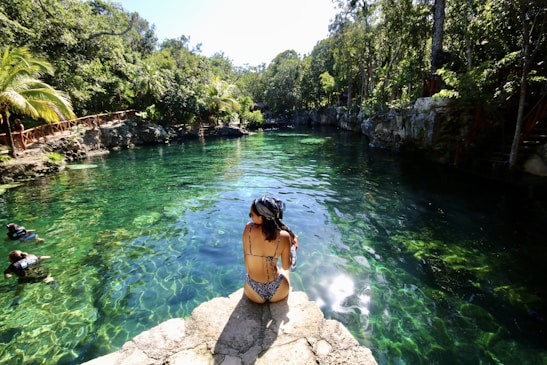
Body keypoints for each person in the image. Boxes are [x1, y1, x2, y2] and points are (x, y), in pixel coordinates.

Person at [242, 196, 298, 303]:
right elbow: (286, 266)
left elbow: (246, 261)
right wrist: (292, 246)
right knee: (282, 269)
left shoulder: (248, 229)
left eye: (252, 215)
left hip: (253, 292)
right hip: (278, 291)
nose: (250, 217)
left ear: (261, 217)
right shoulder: (284, 236)